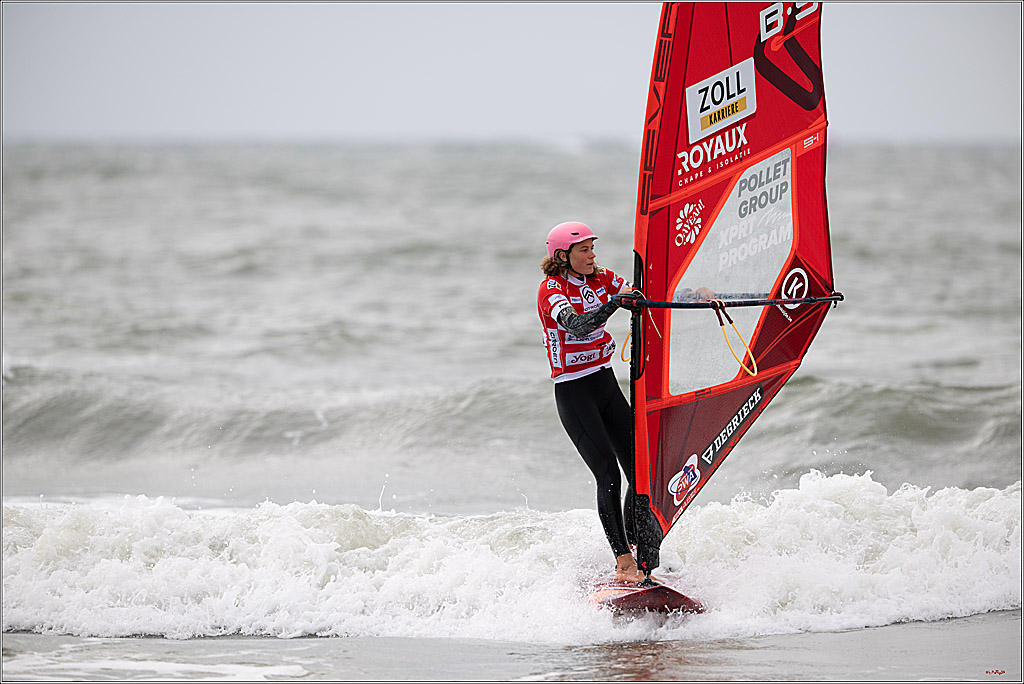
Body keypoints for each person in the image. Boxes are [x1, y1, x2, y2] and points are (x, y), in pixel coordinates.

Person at [535, 220, 651, 584]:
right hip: (574, 392)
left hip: (604, 382)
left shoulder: (603, 278)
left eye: (592, 247)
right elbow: (578, 325)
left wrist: (696, 294)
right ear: (562, 256)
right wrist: (616, 305)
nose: (591, 255)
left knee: (641, 471)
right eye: (583, 249)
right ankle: (622, 560)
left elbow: (644, 291)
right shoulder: (550, 291)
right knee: (608, 474)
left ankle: (642, 550)